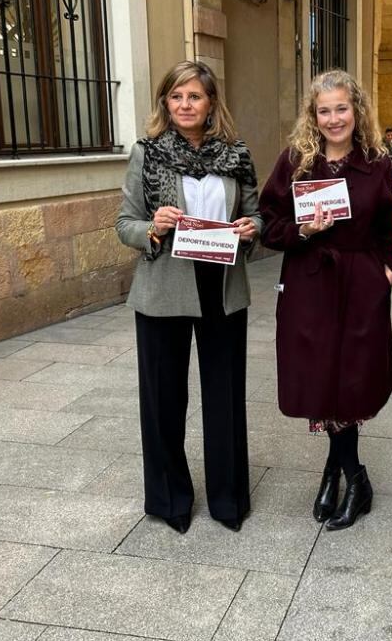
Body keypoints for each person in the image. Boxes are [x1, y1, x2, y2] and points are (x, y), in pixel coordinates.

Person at [116, 60, 262, 535]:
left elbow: (256, 213)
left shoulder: (236, 154)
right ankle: (169, 499)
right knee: (163, 398)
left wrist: (250, 228)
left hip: (221, 284)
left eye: (194, 96)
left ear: (211, 103)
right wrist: (152, 227)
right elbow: (125, 224)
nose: (185, 105)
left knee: (225, 397)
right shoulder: (148, 153)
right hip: (164, 287)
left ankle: (228, 500)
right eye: (176, 97)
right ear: (166, 102)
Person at [259, 70, 392, 531]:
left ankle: (345, 475)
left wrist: (388, 268)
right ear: (312, 115)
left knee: (352, 381)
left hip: (359, 284)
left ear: (356, 110)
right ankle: (349, 474)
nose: (334, 118)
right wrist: (303, 230)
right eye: (324, 110)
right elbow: (268, 223)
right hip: (310, 282)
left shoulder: (379, 161)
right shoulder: (296, 161)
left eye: (342, 108)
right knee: (321, 378)